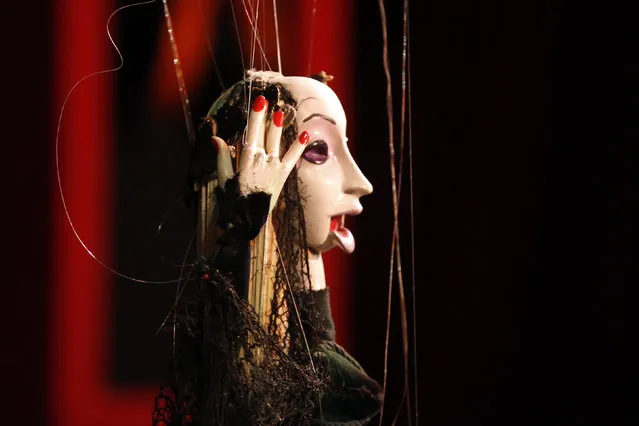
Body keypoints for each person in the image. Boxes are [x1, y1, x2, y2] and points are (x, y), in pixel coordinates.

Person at [153, 70, 381, 425]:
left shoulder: (305, 362)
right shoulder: (250, 377)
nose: (361, 183)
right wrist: (244, 232)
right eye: (319, 149)